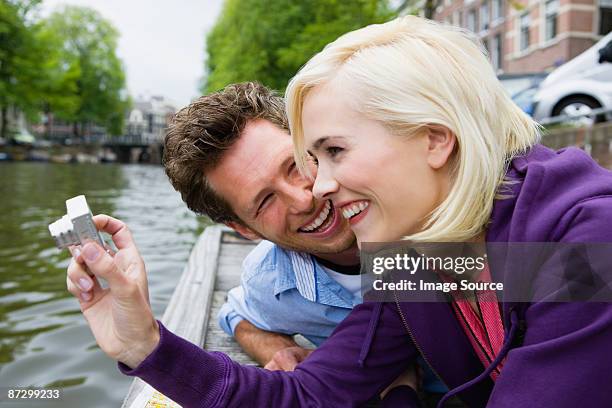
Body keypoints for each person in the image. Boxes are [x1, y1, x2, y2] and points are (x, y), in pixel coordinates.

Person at [66, 16, 612, 407]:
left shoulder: (586, 245)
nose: (316, 188)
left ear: (434, 139)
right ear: (242, 228)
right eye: (315, 157)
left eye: (332, 152)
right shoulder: (427, 259)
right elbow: (307, 393)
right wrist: (145, 346)